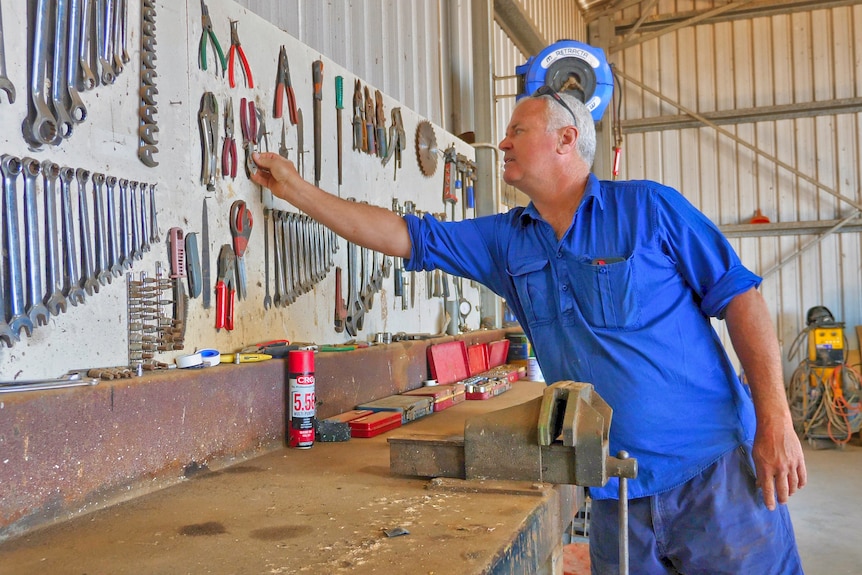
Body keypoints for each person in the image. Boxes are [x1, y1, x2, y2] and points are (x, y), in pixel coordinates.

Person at [251, 89, 807, 574]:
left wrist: (776, 419)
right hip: (614, 491)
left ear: (567, 140)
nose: (504, 143)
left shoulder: (648, 209)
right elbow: (407, 236)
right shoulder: (507, 240)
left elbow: (742, 298)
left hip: (715, 478)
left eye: (518, 130)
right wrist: (298, 191)